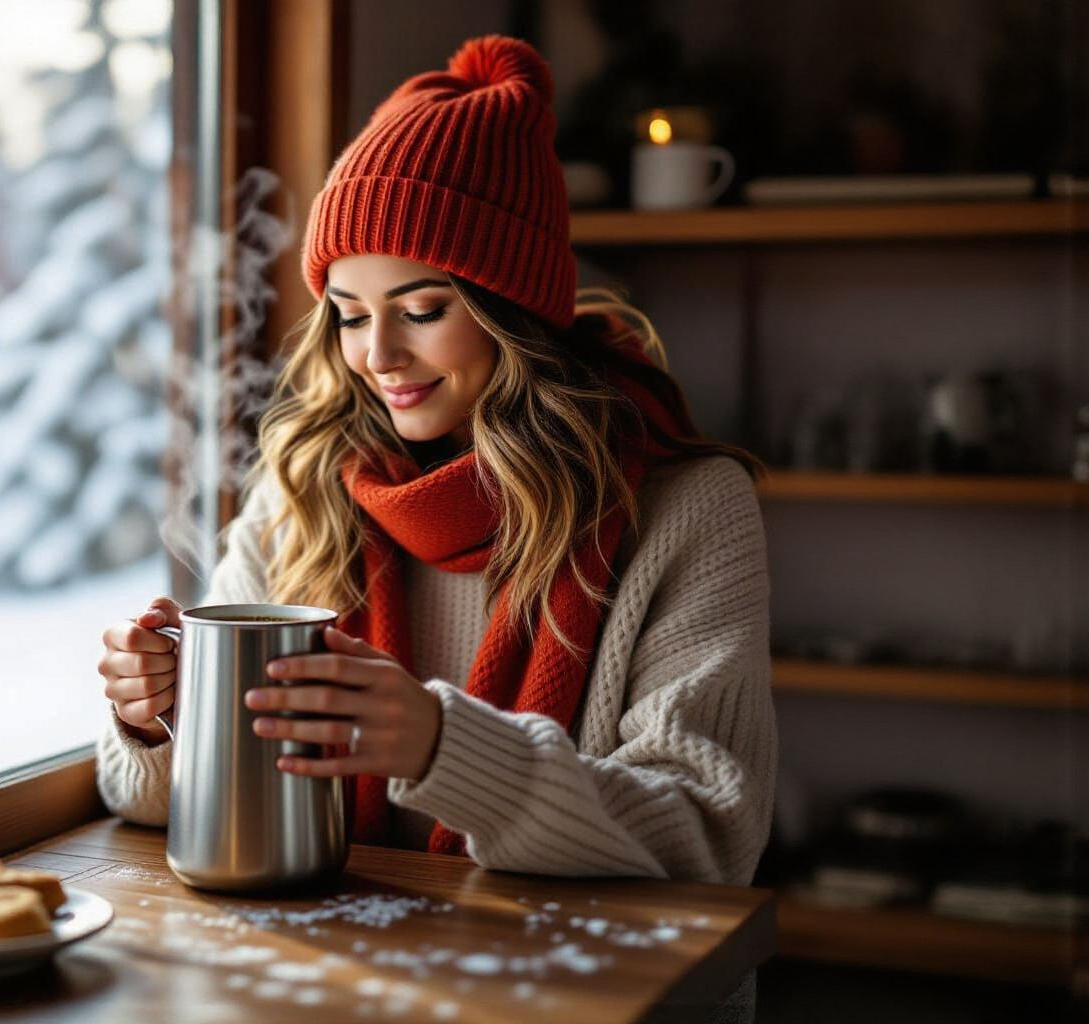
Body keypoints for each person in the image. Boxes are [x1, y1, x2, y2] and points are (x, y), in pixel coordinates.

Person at [95, 34, 774, 1022]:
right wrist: (157, 715)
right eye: (347, 312)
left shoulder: (686, 509)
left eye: (421, 308)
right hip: (341, 988)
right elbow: (168, 801)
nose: (377, 355)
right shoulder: (308, 490)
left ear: (514, 309)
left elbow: (706, 836)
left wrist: (440, 745)